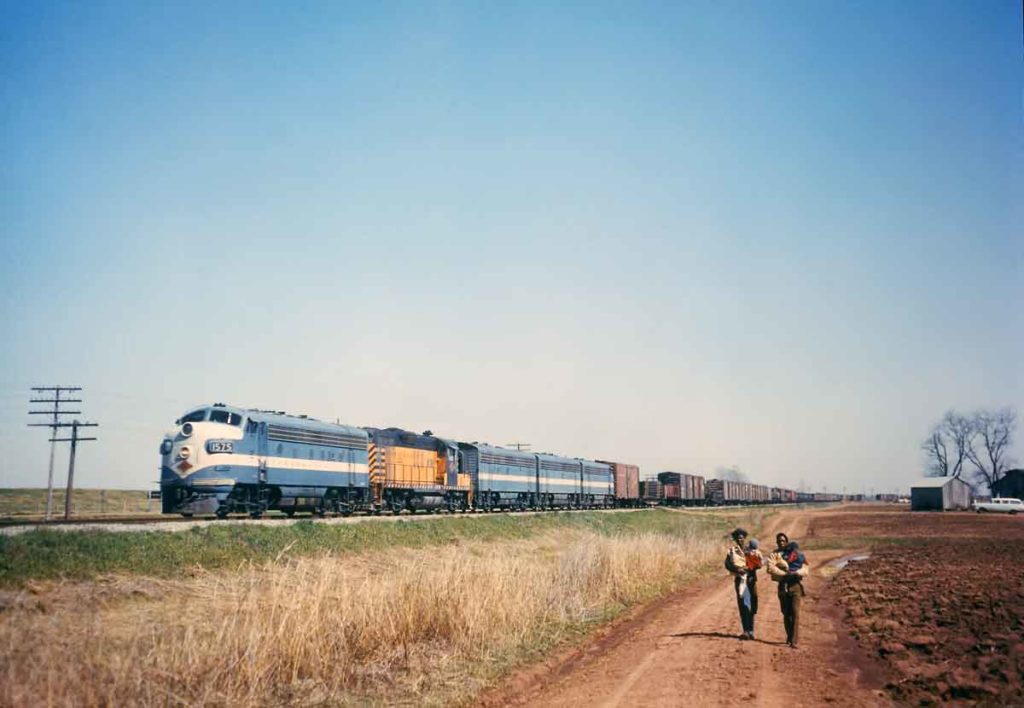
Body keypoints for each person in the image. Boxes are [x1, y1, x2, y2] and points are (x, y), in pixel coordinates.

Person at [767, 532, 810, 648]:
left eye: (783, 540)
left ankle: (794, 641)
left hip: (795, 585)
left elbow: (806, 568)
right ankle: (789, 636)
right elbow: (770, 568)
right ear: (776, 542)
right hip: (783, 585)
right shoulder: (775, 554)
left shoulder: (796, 554)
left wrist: (796, 573)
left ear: (786, 541)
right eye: (779, 541)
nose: (781, 542)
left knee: (795, 613)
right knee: (786, 613)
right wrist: (785, 574)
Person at [725, 528, 760, 640]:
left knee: (753, 603)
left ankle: (751, 630)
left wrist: (750, 568)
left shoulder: (751, 549)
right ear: (735, 539)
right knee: (743, 605)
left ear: (744, 538)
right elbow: (727, 564)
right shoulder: (731, 551)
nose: (740, 539)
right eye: (738, 538)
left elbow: (758, 562)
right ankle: (746, 630)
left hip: (751, 580)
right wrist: (737, 569)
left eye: (741, 537)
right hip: (740, 580)